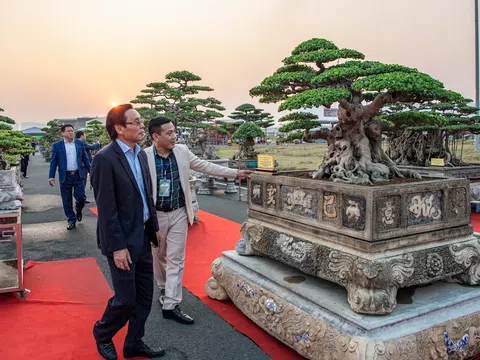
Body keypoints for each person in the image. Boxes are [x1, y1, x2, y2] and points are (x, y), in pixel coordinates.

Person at [145, 116, 252, 324]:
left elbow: (206, 166)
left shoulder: (183, 152)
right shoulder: (144, 156)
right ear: (155, 136)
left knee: (176, 258)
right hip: (155, 215)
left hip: (178, 212)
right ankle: (163, 288)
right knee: (158, 255)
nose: (174, 136)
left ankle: (171, 304)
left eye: (175, 131)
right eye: (169, 133)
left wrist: (235, 173)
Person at [91, 104, 165, 360]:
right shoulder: (104, 159)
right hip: (121, 242)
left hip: (143, 236)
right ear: (119, 128)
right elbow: (107, 209)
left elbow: (146, 195)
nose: (142, 125)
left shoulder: (141, 155)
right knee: (125, 300)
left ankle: (134, 343)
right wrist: (117, 247)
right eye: (136, 122)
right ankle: (102, 333)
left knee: (145, 297)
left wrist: (154, 229)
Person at [48, 124, 90, 230]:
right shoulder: (57, 145)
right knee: (66, 200)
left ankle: (78, 209)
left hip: (78, 175)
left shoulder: (80, 143)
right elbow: (53, 162)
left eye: (72, 131)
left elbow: (85, 159)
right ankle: (71, 220)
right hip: (65, 176)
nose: (71, 132)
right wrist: (51, 176)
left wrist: (92, 172)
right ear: (63, 133)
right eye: (68, 131)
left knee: (81, 197)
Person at [75, 130, 101, 204]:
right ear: (82, 136)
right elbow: (91, 147)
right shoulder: (80, 143)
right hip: (83, 166)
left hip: (82, 166)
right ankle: (80, 198)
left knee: (82, 182)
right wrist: (98, 143)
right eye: (85, 135)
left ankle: (81, 198)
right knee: (82, 182)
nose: (85, 137)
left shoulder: (75, 142)